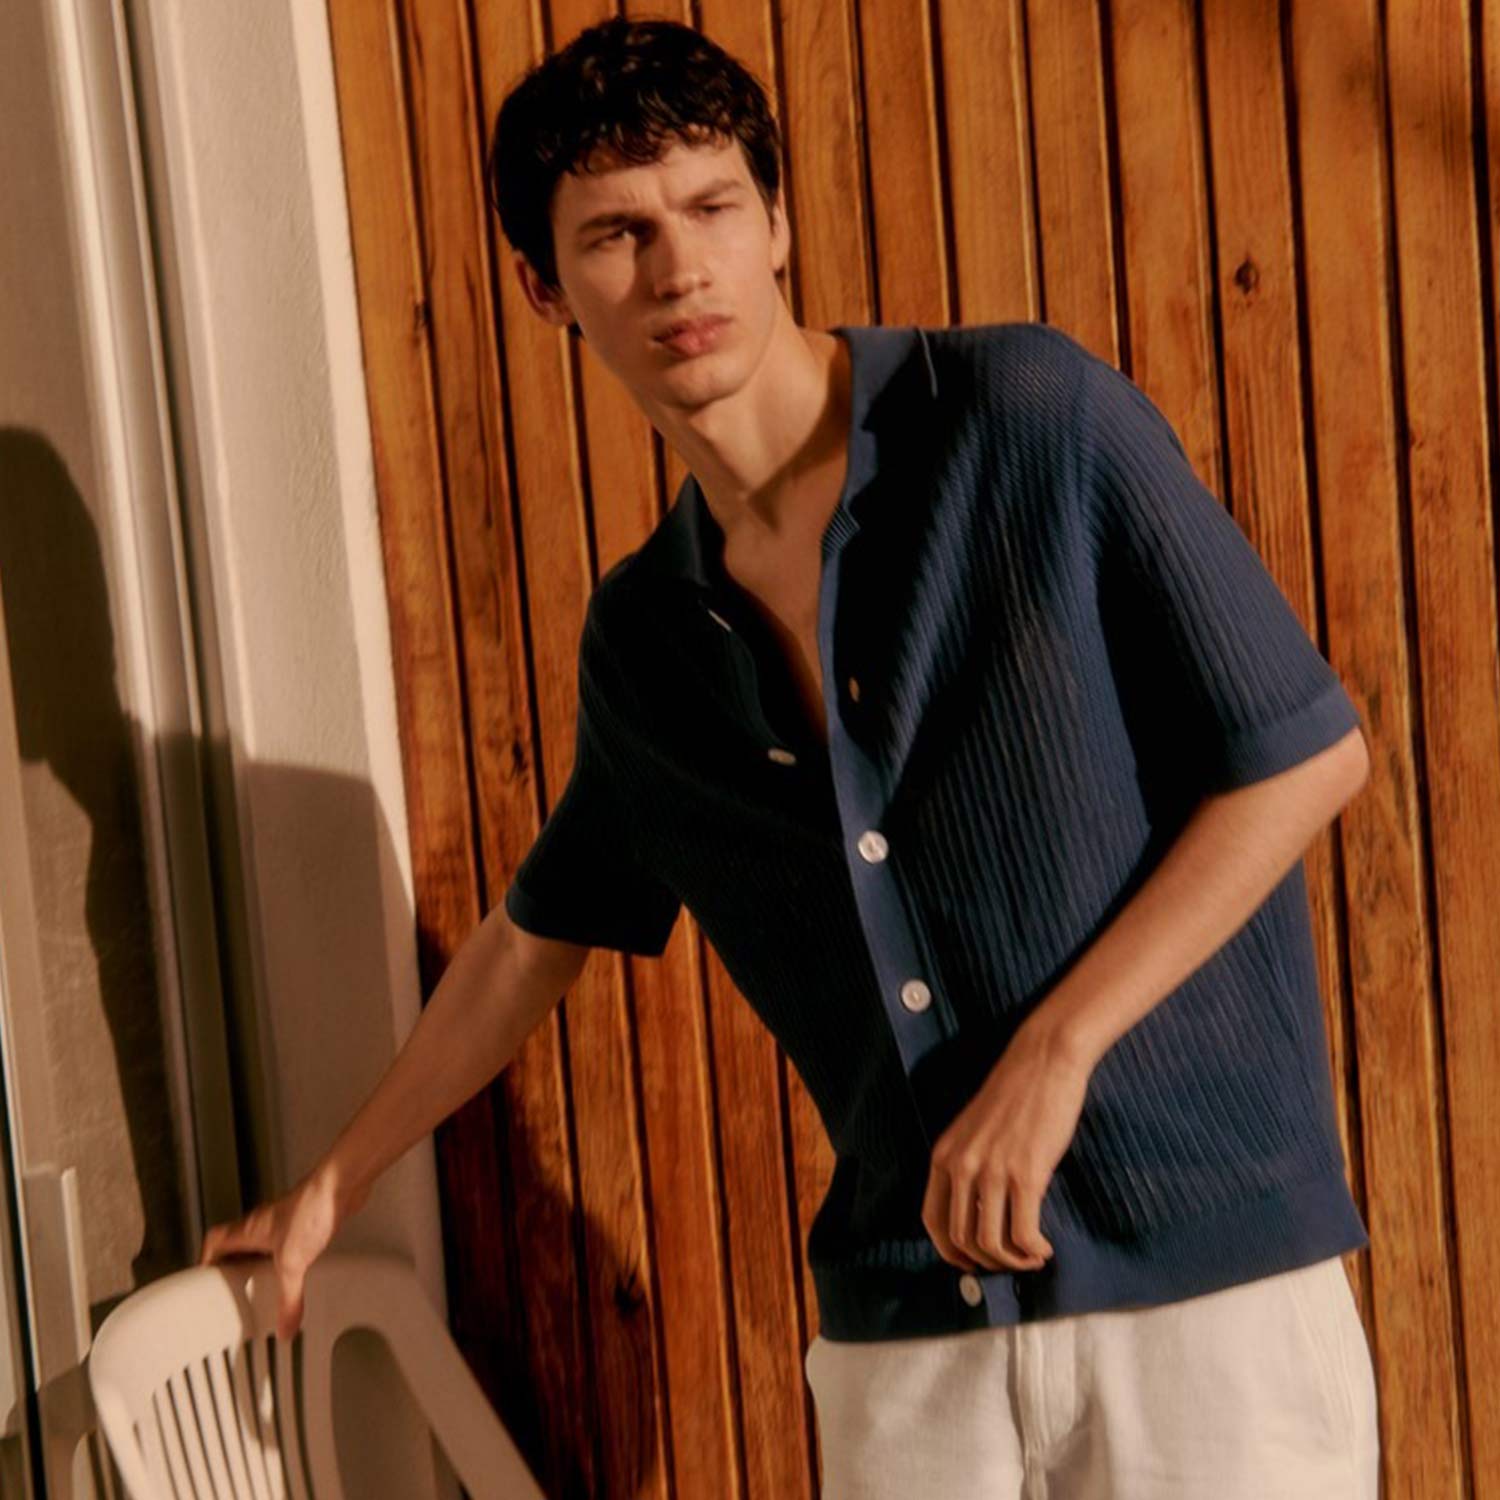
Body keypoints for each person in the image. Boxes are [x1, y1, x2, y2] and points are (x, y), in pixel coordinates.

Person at [202, 17, 1383, 1497]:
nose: (679, 268)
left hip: (1203, 1292)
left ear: (776, 223)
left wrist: (1056, 1050)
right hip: (909, 1345)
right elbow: (534, 936)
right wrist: (332, 1185)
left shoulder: (1024, 420)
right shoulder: (647, 636)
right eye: (618, 234)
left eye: (710, 208)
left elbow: (1301, 759)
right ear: (543, 286)